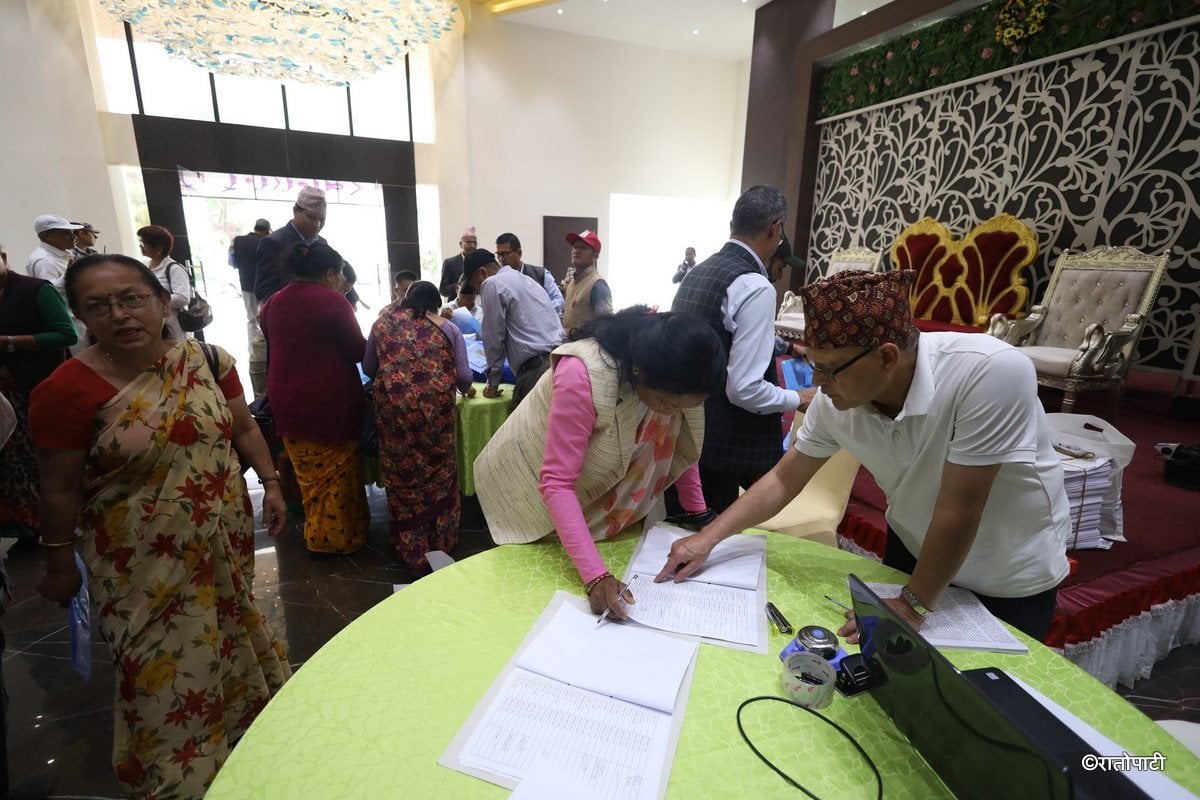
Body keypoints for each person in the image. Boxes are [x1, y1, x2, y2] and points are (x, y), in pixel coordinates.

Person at [657, 270, 1072, 642]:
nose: (817, 383)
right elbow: (785, 479)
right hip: (914, 549)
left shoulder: (989, 371)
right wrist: (707, 539)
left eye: (829, 368)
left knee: (986, 705)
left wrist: (912, 604)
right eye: (813, 365)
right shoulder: (834, 399)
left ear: (887, 357)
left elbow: (960, 508)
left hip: (1006, 572)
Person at [27, 254, 290, 799]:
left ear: (163, 302)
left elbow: (242, 428)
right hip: (139, 563)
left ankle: (245, 751)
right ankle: (180, 780)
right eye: (98, 306)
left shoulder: (209, 360)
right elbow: (58, 488)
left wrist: (273, 481)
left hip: (223, 533)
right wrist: (57, 561)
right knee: (159, 667)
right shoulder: (66, 390)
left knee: (232, 634)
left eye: (132, 299)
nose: (119, 315)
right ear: (80, 317)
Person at [476, 307, 726, 618]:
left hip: (596, 500)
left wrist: (697, 512)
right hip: (528, 493)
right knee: (527, 606)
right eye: (667, 403)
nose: (674, 413)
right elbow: (556, 482)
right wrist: (596, 576)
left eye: (685, 406)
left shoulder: (680, 379)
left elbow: (679, 440)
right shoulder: (584, 373)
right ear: (639, 372)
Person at [670, 186, 804, 514]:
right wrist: (799, 398)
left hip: (681, 437)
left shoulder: (696, 273)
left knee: (675, 535)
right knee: (709, 549)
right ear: (776, 228)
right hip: (721, 449)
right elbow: (744, 389)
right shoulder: (754, 286)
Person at [259, 243, 370, 555]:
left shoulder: (272, 302)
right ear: (331, 273)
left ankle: (325, 534)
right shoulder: (333, 302)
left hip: (287, 403)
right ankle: (333, 541)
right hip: (329, 403)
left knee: (311, 480)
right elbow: (356, 350)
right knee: (338, 477)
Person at [364, 281, 473, 575]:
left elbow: (369, 367)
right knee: (438, 473)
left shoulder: (383, 323)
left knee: (403, 477)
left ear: (406, 301)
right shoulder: (447, 328)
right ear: (435, 305)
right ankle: (442, 542)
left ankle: (411, 549)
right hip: (435, 419)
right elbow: (463, 376)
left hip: (394, 419)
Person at [0, 244, 76, 544]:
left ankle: (52, 526)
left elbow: (66, 334)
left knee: (41, 460)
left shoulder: (35, 290)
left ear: (4, 258)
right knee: (10, 465)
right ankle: (26, 528)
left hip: (37, 389)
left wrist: (9, 342)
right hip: (5, 399)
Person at [462, 249, 563, 406]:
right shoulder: (525, 279)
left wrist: (493, 382)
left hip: (536, 372)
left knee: (525, 429)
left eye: (475, 286)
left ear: (483, 273)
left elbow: (493, 336)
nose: (476, 292)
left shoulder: (491, 283)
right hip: (561, 364)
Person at [26, 214, 85, 353]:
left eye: (72, 232)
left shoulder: (62, 255)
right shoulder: (44, 260)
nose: (73, 236)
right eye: (66, 233)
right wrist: (69, 275)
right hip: (69, 324)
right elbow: (50, 295)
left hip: (76, 320)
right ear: (47, 237)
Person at [136, 224, 191, 342]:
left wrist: (153, 301)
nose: (141, 246)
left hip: (173, 326)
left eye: (144, 243)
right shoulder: (145, 266)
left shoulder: (174, 268)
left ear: (159, 247)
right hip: (153, 325)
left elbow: (183, 298)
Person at [495, 232, 564, 314]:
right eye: (498, 255)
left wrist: (539, 311)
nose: (501, 259)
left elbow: (559, 301)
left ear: (519, 253)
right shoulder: (499, 280)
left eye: (505, 254)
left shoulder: (540, 274)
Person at [561, 229, 612, 331]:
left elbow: (605, 326)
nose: (576, 251)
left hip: (587, 345)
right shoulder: (571, 283)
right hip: (567, 344)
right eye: (575, 247)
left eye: (583, 248)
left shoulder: (598, 284)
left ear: (595, 256)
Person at [229, 218, 270, 342]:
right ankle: (266, 342)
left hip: (246, 285)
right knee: (266, 316)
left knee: (251, 319)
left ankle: (254, 346)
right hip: (265, 285)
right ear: (267, 231)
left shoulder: (237, 241)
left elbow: (231, 262)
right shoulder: (267, 242)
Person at [440, 227, 477, 301]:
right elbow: (443, 290)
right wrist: (459, 284)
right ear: (461, 244)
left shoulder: (481, 262)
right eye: (468, 243)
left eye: (474, 243)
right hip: (456, 306)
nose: (472, 246)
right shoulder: (450, 263)